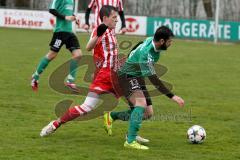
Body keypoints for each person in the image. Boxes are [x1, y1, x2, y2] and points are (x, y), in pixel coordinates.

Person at [115, 26, 185, 150]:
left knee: (148, 113)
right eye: (169, 41)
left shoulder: (150, 41)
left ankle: (112, 117)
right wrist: (172, 96)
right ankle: (130, 141)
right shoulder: (146, 54)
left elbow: (138, 45)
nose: (171, 43)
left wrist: (130, 57)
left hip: (137, 76)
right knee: (140, 104)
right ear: (162, 41)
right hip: (126, 76)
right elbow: (153, 79)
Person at [31, 0, 82, 91]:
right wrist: (66, 17)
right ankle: (35, 76)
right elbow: (52, 10)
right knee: (52, 55)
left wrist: (74, 17)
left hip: (69, 32)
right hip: (60, 32)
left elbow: (69, 12)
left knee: (78, 55)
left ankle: (70, 81)